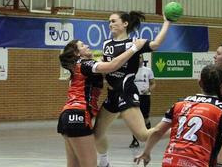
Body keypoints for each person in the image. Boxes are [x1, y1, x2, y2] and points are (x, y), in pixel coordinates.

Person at [94, 11, 171, 167]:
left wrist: (167, 22)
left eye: (114, 21)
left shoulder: (136, 43)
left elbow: (156, 44)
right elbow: (105, 65)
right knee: (97, 134)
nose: (110, 24)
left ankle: (180, 130)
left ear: (125, 24)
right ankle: (104, 163)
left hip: (126, 91)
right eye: (109, 21)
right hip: (112, 94)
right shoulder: (106, 44)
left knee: (142, 135)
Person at [57, 38, 146, 167]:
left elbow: (111, 72)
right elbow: (112, 66)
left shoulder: (79, 67)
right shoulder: (85, 64)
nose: (87, 45)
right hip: (78, 115)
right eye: (82, 45)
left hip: (66, 116)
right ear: (77, 53)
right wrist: (134, 48)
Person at [134, 64, 222, 167]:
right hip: (198, 163)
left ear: (200, 82)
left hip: (170, 161)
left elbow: (158, 131)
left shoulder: (180, 104)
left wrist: (146, 152)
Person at [129, 54, 156, 148]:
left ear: (143, 59)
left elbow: (153, 84)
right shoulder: (131, 70)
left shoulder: (148, 70)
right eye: (136, 57)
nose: (138, 59)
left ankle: (149, 137)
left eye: (140, 57)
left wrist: (148, 90)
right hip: (134, 97)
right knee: (134, 119)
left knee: (145, 118)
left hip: (145, 96)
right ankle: (135, 140)